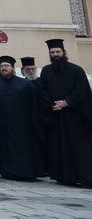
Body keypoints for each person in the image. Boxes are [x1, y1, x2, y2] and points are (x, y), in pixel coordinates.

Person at [37, 39, 92, 187]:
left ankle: (84, 177)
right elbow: (42, 90)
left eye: (57, 52)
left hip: (74, 117)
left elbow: (82, 91)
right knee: (58, 147)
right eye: (52, 53)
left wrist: (67, 102)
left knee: (78, 147)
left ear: (64, 53)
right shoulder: (46, 71)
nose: (55, 55)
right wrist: (52, 104)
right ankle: (64, 177)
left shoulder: (76, 70)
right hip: (55, 116)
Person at [0, 56, 44, 181]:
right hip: (3, 125)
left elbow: (34, 106)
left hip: (23, 126)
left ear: (12, 68)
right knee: (5, 149)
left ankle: (25, 173)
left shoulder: (25, 84)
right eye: (2, 67)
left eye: (6, 66)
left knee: (23, 150)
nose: (4, 68)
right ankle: (8, 172)